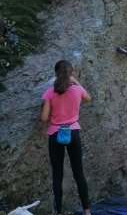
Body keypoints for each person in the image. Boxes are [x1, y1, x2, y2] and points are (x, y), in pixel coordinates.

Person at [41, 60, 91, 215]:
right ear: (70, 74)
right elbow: (88, 98)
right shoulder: (77, 90)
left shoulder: (50, 92)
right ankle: (87, 211)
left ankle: (59, 212)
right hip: (73, 132)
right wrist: (75, 80)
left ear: (56, 73)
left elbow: (44, 118)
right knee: (79, 173)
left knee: (57, 176)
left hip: (55, 133)